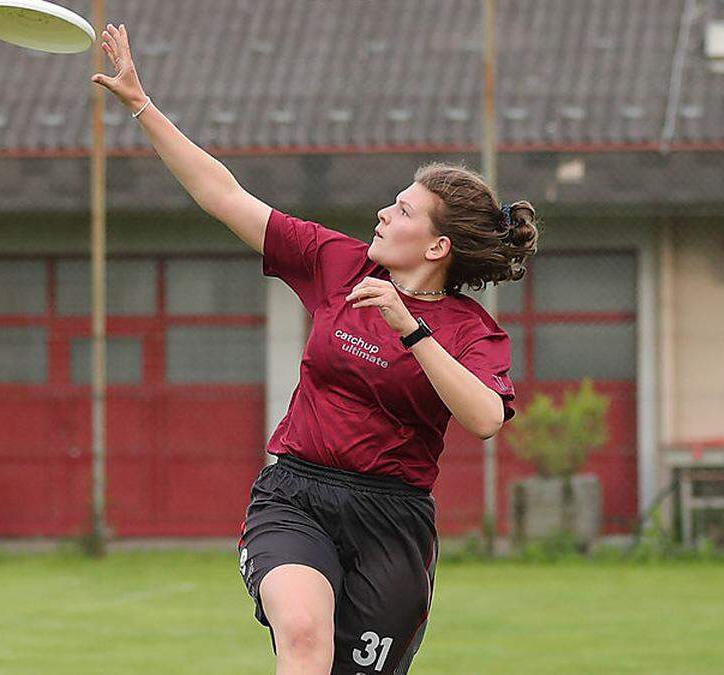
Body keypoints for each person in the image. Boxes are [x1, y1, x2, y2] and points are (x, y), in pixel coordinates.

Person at [92, 24, 538, 674]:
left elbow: (486, 417)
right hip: (296, 494)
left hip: (394, 523)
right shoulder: (339, 262)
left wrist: (411, 328)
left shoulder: (471, 330)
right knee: (302, 633)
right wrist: (141, 105)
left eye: (404, 211)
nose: (384, 214)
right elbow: (224, 195)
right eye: (393, 203)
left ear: (439, 247)